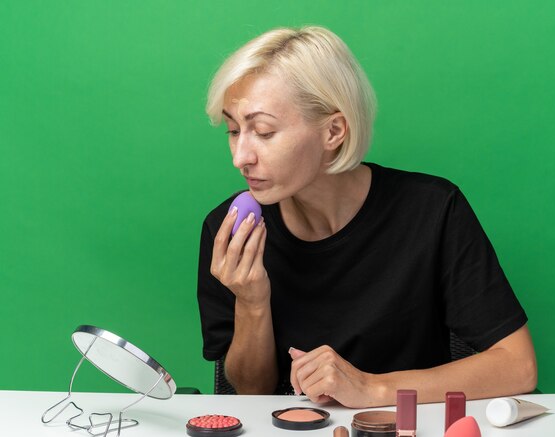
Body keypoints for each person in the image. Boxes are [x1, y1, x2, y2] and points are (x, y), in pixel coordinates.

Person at [197, 26, 537, 408]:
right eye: (233, 130)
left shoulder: (432, 211)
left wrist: (371, 388)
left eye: (263, 131)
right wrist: (251, 302)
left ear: (334, 131)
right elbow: (250, 394)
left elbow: (518, 367)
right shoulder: (228, 232)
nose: (240, 156)